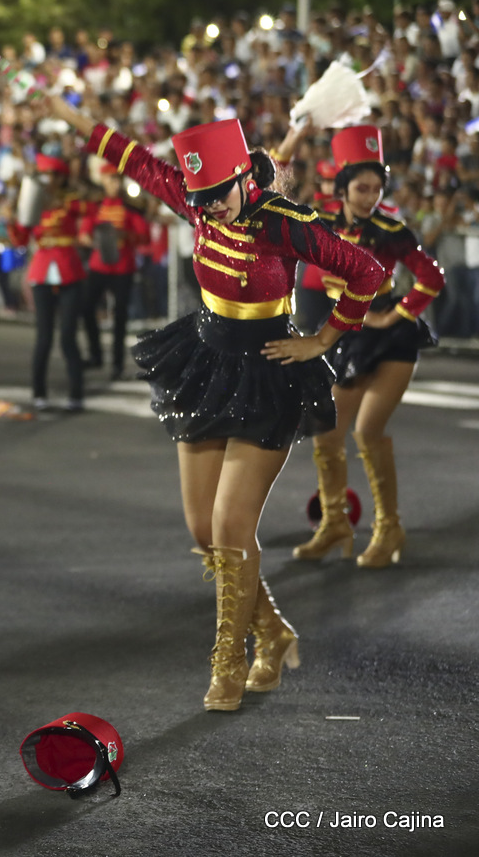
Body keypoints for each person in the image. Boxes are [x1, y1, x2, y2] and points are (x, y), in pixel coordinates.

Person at [51, 99, 385, 712]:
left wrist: (322, 339)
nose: (206, 208)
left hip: (269, 374)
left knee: (232, 529)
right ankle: (275, 630)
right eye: (198, 197)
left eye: (216, 195)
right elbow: (134, 160)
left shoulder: (286, 222)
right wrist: (70, 117)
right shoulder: (199, 199)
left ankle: (231, 663)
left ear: (243, 177)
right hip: (203, 365)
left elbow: (364, 270)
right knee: (201, 529)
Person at [292, 126, 444, 568]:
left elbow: (432, 278)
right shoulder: (321, 225)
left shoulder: (390, 229)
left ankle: (388, 527)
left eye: (377, 188)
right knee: (327, 432)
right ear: (341, 187)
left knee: (367, 432)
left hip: (392, 340)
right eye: (362, 188)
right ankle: (335, 522)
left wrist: (393, 315)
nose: (370, 197)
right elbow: (306, 270)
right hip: (348, 336)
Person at [8, 153, 87, 411]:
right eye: (45, 175)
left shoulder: (70, 200)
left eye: (53, 175)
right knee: (43, 336)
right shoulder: (33, 203)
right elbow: (20, 238)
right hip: (42, 270)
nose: (49, 179)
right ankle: (38, 392)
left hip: (68, 269)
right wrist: (14, 218)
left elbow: (82, 210)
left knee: (67, 336)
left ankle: (76, 393)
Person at [79, 162, 150, 380]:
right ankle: (96, 354)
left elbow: (144, 236)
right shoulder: (96, 206)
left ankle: (117, 364)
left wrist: (126, 237)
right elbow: (83, 234)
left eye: (117, 179)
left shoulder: (131, 208)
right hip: (99, 266)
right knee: (87, 308)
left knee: (120, 318)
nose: (114, 183)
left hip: (122, 268)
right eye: (110, 179)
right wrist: (94, 242)